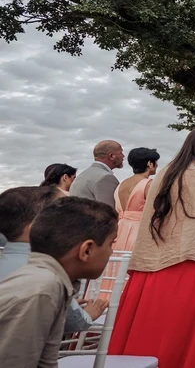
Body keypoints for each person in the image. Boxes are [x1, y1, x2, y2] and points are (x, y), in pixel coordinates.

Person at [109, 125, 195, 368]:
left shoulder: (165, 173)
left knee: (146, 328)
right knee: (180, 334)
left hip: (153, 260)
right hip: (189, 264)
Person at [0, 197, 117, 368]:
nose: (111, 252)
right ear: (87, 250)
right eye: (111, 244)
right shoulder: (43, 290)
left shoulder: (47, 281)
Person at [0, 186, 108, 331]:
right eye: (64, 219)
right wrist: (88, 314)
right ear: (35, 228)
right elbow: (73, 322)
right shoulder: (47, 273)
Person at [114, 147, 160, 252]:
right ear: (149, 163)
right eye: (155, 162)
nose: (157, 165)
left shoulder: (121, 184)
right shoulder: (149, 184)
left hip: (119, 230)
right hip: (140, 231)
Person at [71, 140, 125, 207]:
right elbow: (109, 210)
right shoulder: (105, 178)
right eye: (121, 153)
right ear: (111, 156)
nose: (123, 156)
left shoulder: (82, 176)